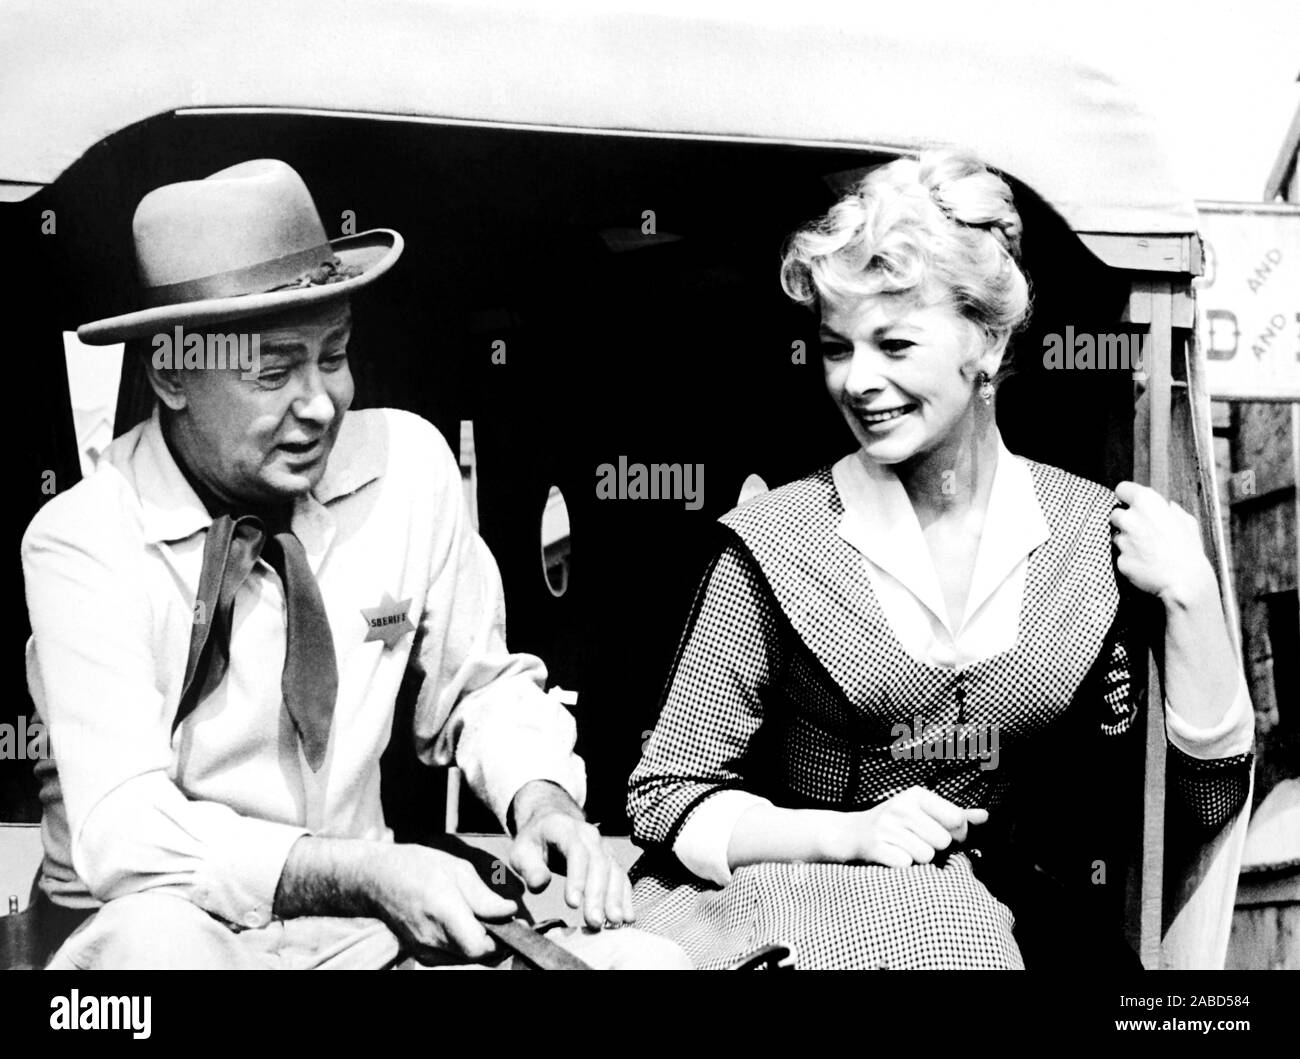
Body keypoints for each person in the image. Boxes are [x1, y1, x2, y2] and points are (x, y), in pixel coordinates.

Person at [23, 158, 688, 970]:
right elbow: (126, 835)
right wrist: (369, 872)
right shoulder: (82, 540)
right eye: (273, 371)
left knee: (652, 963)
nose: (318, 403)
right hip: (161, 939)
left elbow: (480, 685)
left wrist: (539, 795)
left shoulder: (410, 466)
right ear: (170, 372)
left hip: (366, 944)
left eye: (333, 354)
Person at [626, 149, 1255, 969]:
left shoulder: (1088, 538)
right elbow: (664, 793)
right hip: (789, 908)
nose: (858, 381)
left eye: (893, 342)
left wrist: (1193, 596)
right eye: (835, 348)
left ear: (986, 342)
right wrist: (842, 835)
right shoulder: (777, 540)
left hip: (1001, 916)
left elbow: (1195, 808)